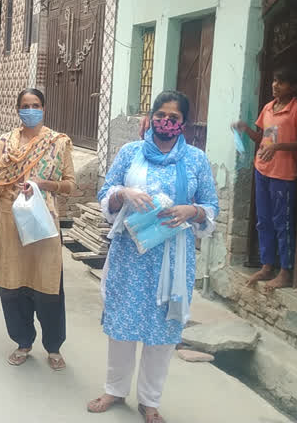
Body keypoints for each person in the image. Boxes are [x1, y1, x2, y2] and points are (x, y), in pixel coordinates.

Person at [87, 91, 219, 423]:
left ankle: (150, 401)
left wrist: (193, 210)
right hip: (130, 255)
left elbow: (211, 207)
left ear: (183, 124)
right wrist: (122, 193)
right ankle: (114, 390)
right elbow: (105, 193)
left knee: (162, 330)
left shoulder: (196, 160)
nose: (165, 122)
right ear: (150, 117)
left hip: (173, 259)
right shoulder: (130, 153)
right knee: (122, 324)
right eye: (160, 115)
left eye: (173, 118)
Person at [0, 89, 75, 370]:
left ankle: (53, 346)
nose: (31, 110)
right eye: (25, 106)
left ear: (44, 108)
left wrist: (44, 185)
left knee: (48, 286)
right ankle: (23, 342)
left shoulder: (58, 143)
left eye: (36, 105)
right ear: (18, 110)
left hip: (43, 221)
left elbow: (70, 185)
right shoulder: (6, 142)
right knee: (12, 286)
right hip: (9, 220)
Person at [235, 66, 297, 290]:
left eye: (281, 82)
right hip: (262, 170)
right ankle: (267, 266)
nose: (275, 85)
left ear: (293, 87)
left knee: (282, 222)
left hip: (283, 175)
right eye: (274, 80)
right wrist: (246, 129)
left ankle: (285, 271)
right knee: (263, 220)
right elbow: (263, 139)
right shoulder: (268, 108)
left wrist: (279, 147)